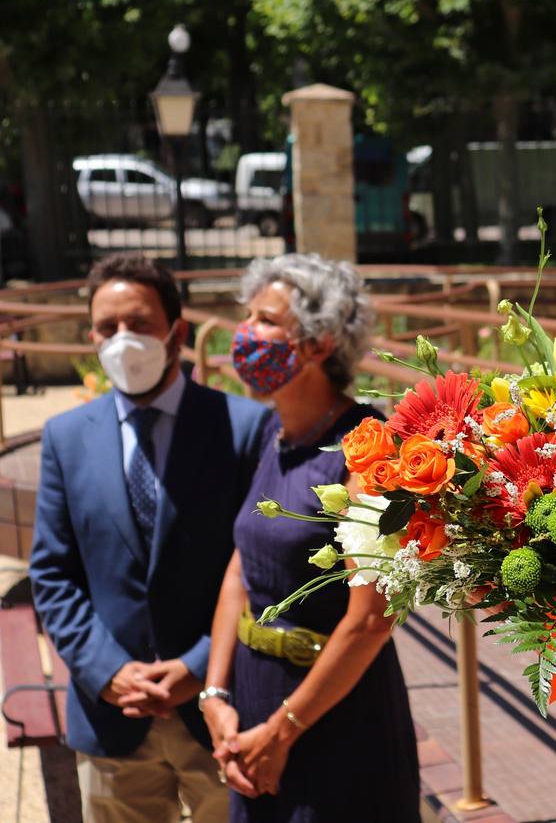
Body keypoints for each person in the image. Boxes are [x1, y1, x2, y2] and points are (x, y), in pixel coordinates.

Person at [30, 254, 272, 822]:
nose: (122, 340)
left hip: (222, 710)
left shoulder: (242, 428)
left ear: (176, 332)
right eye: (107, 328)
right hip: (112, 718)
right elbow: (52, 573)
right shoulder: (65, 438)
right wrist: (104, 670)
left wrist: (198, 667)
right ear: (90, 337)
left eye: (138, 324)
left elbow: (263, 569)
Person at [200, 254, 419, 822]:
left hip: (334, 714)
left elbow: (372, 618)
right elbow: (240, 566)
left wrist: (281, 733)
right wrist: (215, 697)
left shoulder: (366, 450)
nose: (247, 333)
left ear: (320, 342)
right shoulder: (273, 433)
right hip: (252, 698)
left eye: (267, 320)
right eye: (247, 315)